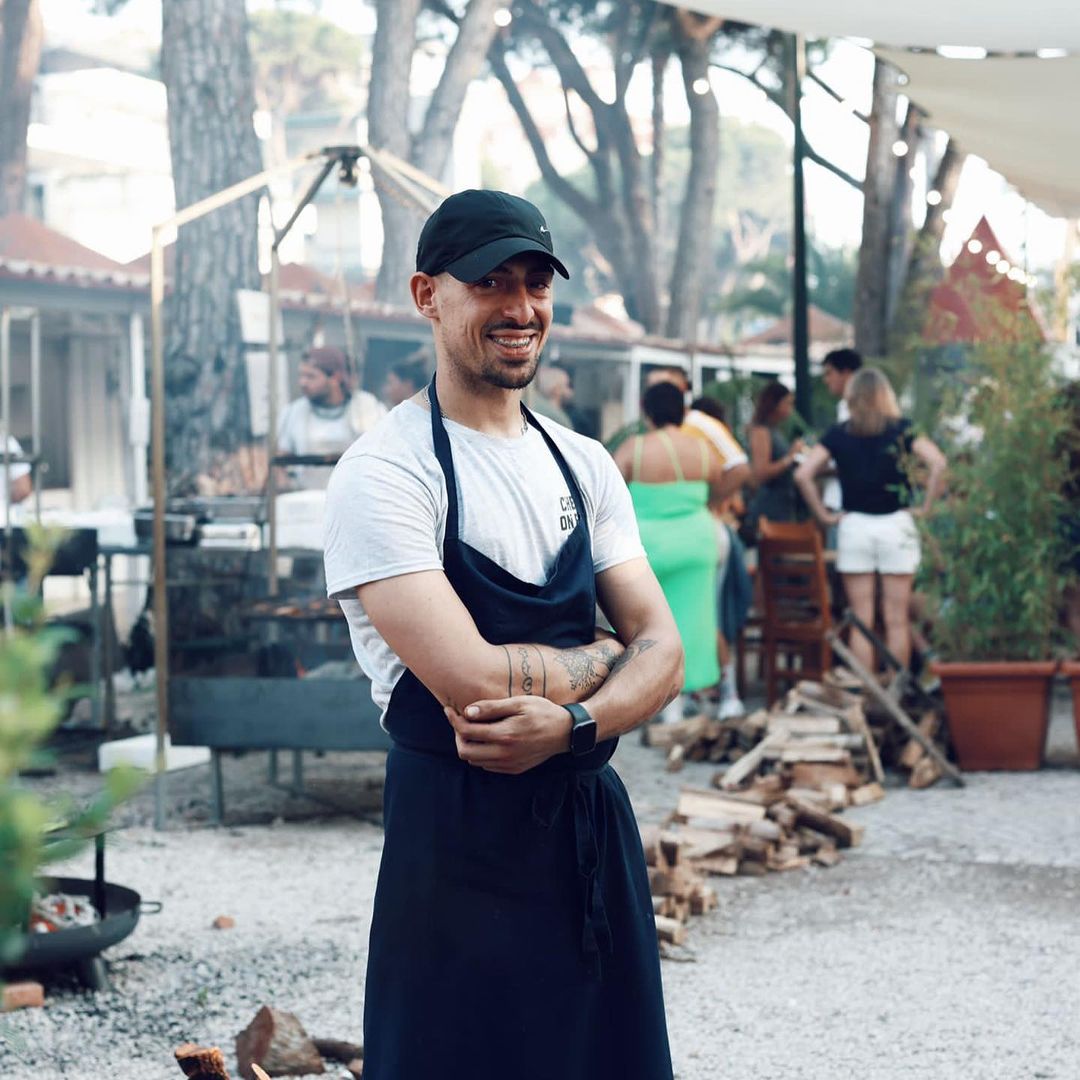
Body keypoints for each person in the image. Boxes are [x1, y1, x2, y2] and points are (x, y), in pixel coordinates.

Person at [323, 189, 681, 1080]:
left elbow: (668, 653)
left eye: (535, 284)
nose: (520, 309)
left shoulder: (583, 462)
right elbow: (478, 685)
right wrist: (609, 657)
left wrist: (577, 726)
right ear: (426, 294)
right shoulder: (385, 472)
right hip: (453, 852)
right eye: (491, 282)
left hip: (588, 836)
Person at [794, 367, 947, 673]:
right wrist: (926, 507)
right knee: (896, 618)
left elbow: (803, 474)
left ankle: (866, 693)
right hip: (896, 524)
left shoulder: (840, 433)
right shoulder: (902, 429)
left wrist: (824, 515)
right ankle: (896, 691)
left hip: (855, 526)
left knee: (861, 618)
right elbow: (939, 463)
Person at [613, 381, 725, 716]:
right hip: (699, 540)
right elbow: (723, 480)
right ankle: (691, 693)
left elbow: (608, 490)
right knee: (699, 620)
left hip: (649, 547)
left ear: (647, 411)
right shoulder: (702, 449)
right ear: (683, 411)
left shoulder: (636, 447)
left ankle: (660, 698)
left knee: (649, 624)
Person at [688, 395, 753, 717]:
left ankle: (718, 691)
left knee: (695, 616)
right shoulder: (700, 435)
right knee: (706, 614)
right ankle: (718, 691)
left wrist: (709, 502)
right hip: (708, 532)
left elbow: (740, 469)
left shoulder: (692, 427)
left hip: (698, 534)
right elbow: (739, 476)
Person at [277, 346, 385, 489]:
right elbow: (279, 461)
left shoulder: (367, 407)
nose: (303, 383)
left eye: (310, 376)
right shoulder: (293, 412)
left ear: (335, 377)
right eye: (301, 376)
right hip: (306, 502)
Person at [744, 380, 805, 540]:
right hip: (769, 507)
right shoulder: (761, 431)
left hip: (783, 504)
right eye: (787, 403)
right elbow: (760, 472)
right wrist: (790, 458)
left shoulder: (774, 430)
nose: (790, 409)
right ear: (774, 404)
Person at [820, 347, 863, 540]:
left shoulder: (859, 411)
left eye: (830, 373)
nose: (826, 380)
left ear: (846, 373)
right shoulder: (843, 408)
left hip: (847, 505)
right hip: (839, 502)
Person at [531, 363, 575, 428]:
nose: (570, 392)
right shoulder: (556, 418)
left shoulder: (533, 407)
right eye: (567, 385)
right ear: (556, 389)